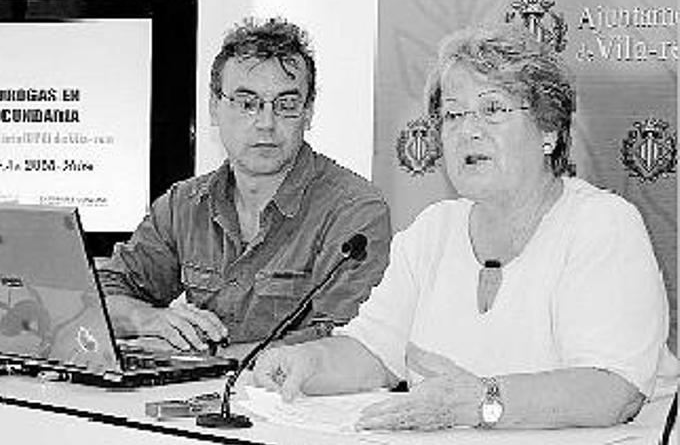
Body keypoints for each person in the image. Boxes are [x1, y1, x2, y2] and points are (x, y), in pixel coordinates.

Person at [253, 23, 671, 430]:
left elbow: (612, 391)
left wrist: (478, 403)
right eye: (453, 115)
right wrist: (308, 363)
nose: (468, 131)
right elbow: (374, 352)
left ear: (549, 130)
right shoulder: (433, 231)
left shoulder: (601, 225)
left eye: (492, 110)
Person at [99, 17, 391, 356]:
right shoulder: (184, 204)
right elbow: (103, 295)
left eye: (286, 105)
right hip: (193, 397)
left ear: (308, 113)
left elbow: (344, 341)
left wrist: (209, 358)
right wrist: (145, 319)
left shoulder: (355, 210)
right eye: (247, 103)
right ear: (214, 108)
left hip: (298, 403)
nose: (266, 124)